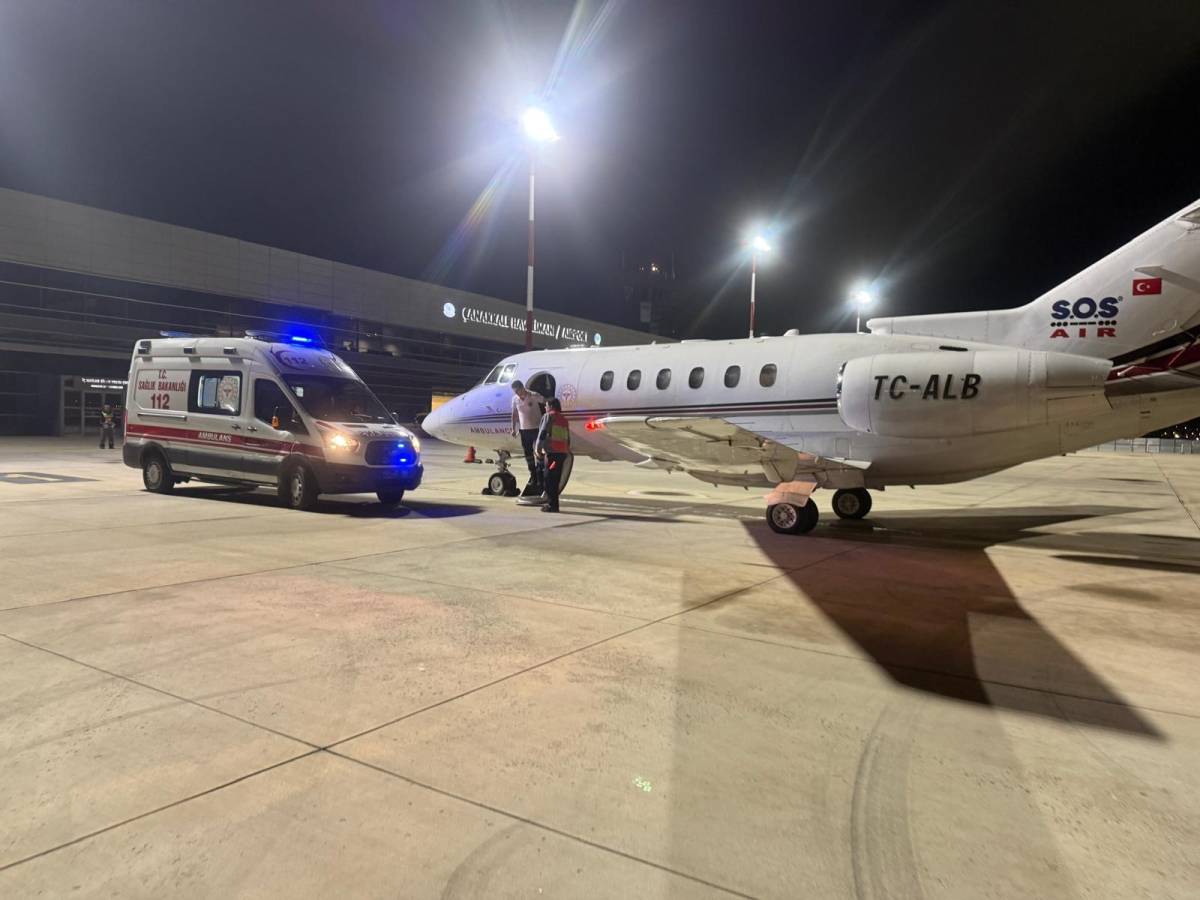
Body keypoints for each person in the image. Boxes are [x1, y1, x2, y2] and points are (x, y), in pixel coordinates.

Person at [534, 397, 571, 513]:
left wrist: (537, 449)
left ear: (550, 406)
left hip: (553, 454)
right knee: (555, 479)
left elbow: (543, 433)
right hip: (562, 453)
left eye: (546, 405)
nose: (545, 407)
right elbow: (568, 438)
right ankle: (554, 505)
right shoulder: (564, 419)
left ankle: (552, 506)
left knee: (549, 479)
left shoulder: (549, 416)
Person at [509, 380, 545, 495]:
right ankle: (533, 476)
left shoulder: (533, 395)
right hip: (524, 431)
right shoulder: (515, 399)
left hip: (536, 429)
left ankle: (541, 476)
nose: (517, 394)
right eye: (515, 392)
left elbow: (545, 402)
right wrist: (513, 428)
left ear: (523, 388)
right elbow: (514, 414)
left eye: (518, 391)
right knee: (528, 455)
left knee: (538, 453)